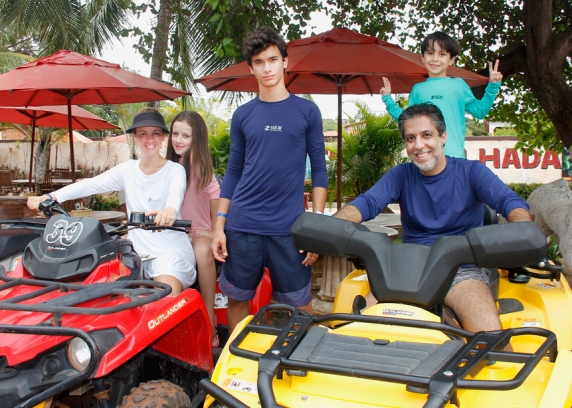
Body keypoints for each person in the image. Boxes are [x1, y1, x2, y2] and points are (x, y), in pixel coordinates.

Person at [334, 103, 532, 335]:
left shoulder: (472, 173)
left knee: (490, 339)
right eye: (410, 138)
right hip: (409, 268)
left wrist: (523, 232)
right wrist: (332, 228)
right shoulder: (401, 175)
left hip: (462, 268)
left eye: (426, 135)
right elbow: (366, 203)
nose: (418, 145)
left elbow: (511, 202)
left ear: (443, 136)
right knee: (353, 330)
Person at [211, 26, 328, 334]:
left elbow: (319, 168)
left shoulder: (307, 111)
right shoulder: (243, 115)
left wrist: (314, 228)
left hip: (288, 229)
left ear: (285, 62)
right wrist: (219, 226)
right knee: (236, 301)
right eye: (259, 62)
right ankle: (238, 365)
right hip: (242, 226)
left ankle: (293, 367)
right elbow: (233, 172)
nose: (267, 68)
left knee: (299, 308)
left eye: (273, 60)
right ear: (251, 67)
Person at [27, 110, 196, 296]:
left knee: (164, 298)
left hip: (169, 253)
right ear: (135, 137)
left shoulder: (175, 170)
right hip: (134, 254)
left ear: (164, 137)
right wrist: (51, 197)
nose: (149, 139)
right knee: (102, 296)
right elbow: (90, 184)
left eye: (156, 133)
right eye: (143, 133)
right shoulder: (127, 170)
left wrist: (170, 211)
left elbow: (176, 194)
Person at [381, 31, 503, 159]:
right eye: (430, 53)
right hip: (426, 159)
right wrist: (388, 100)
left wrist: (493, 87)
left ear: (451, 60)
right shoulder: (418, 89)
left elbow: (479, 111)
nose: (435, 58)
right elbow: (407, 120)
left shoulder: (459, 85)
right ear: (423, 58)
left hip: (454, 159)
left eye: (442, 54)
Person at [166, 110, 220, 346]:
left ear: (196, 139)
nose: (178, 140)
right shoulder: (167, 167)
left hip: (200, 231)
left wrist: (216, 231)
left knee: (201, 252)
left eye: (185, 136)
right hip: (174, 232)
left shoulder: (202, 169)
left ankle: (210, 319)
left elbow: (217, 208)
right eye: (175, 134)